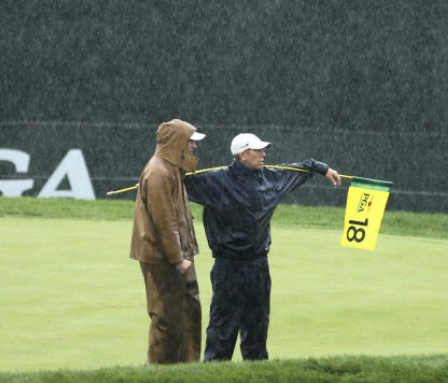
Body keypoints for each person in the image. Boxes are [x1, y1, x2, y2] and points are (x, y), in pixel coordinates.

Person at [184, 132, 342, 362]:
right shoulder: (215, 181)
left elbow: (301, 169)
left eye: (263, 150)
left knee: (257, 328)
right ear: (243, 155)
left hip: (258, 266)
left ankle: (256, 377)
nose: (264, 154)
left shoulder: (272, 178)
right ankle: (215, 379)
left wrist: (322, 168)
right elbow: (178, 182)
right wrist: (158, 178)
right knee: (222, 330)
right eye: (258, 150)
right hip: (228, 266)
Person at [129, 118, 206, 364]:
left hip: (180, 254)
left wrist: (184, 253)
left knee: (188, 313)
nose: (194, 147)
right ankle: (159, 373)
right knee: (166, 319)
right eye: (190, 142)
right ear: (176, 143)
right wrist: (177, 257)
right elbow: (165, 222)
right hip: (163, 258)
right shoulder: (159, 172)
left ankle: (186, 368)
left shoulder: (172, 170)